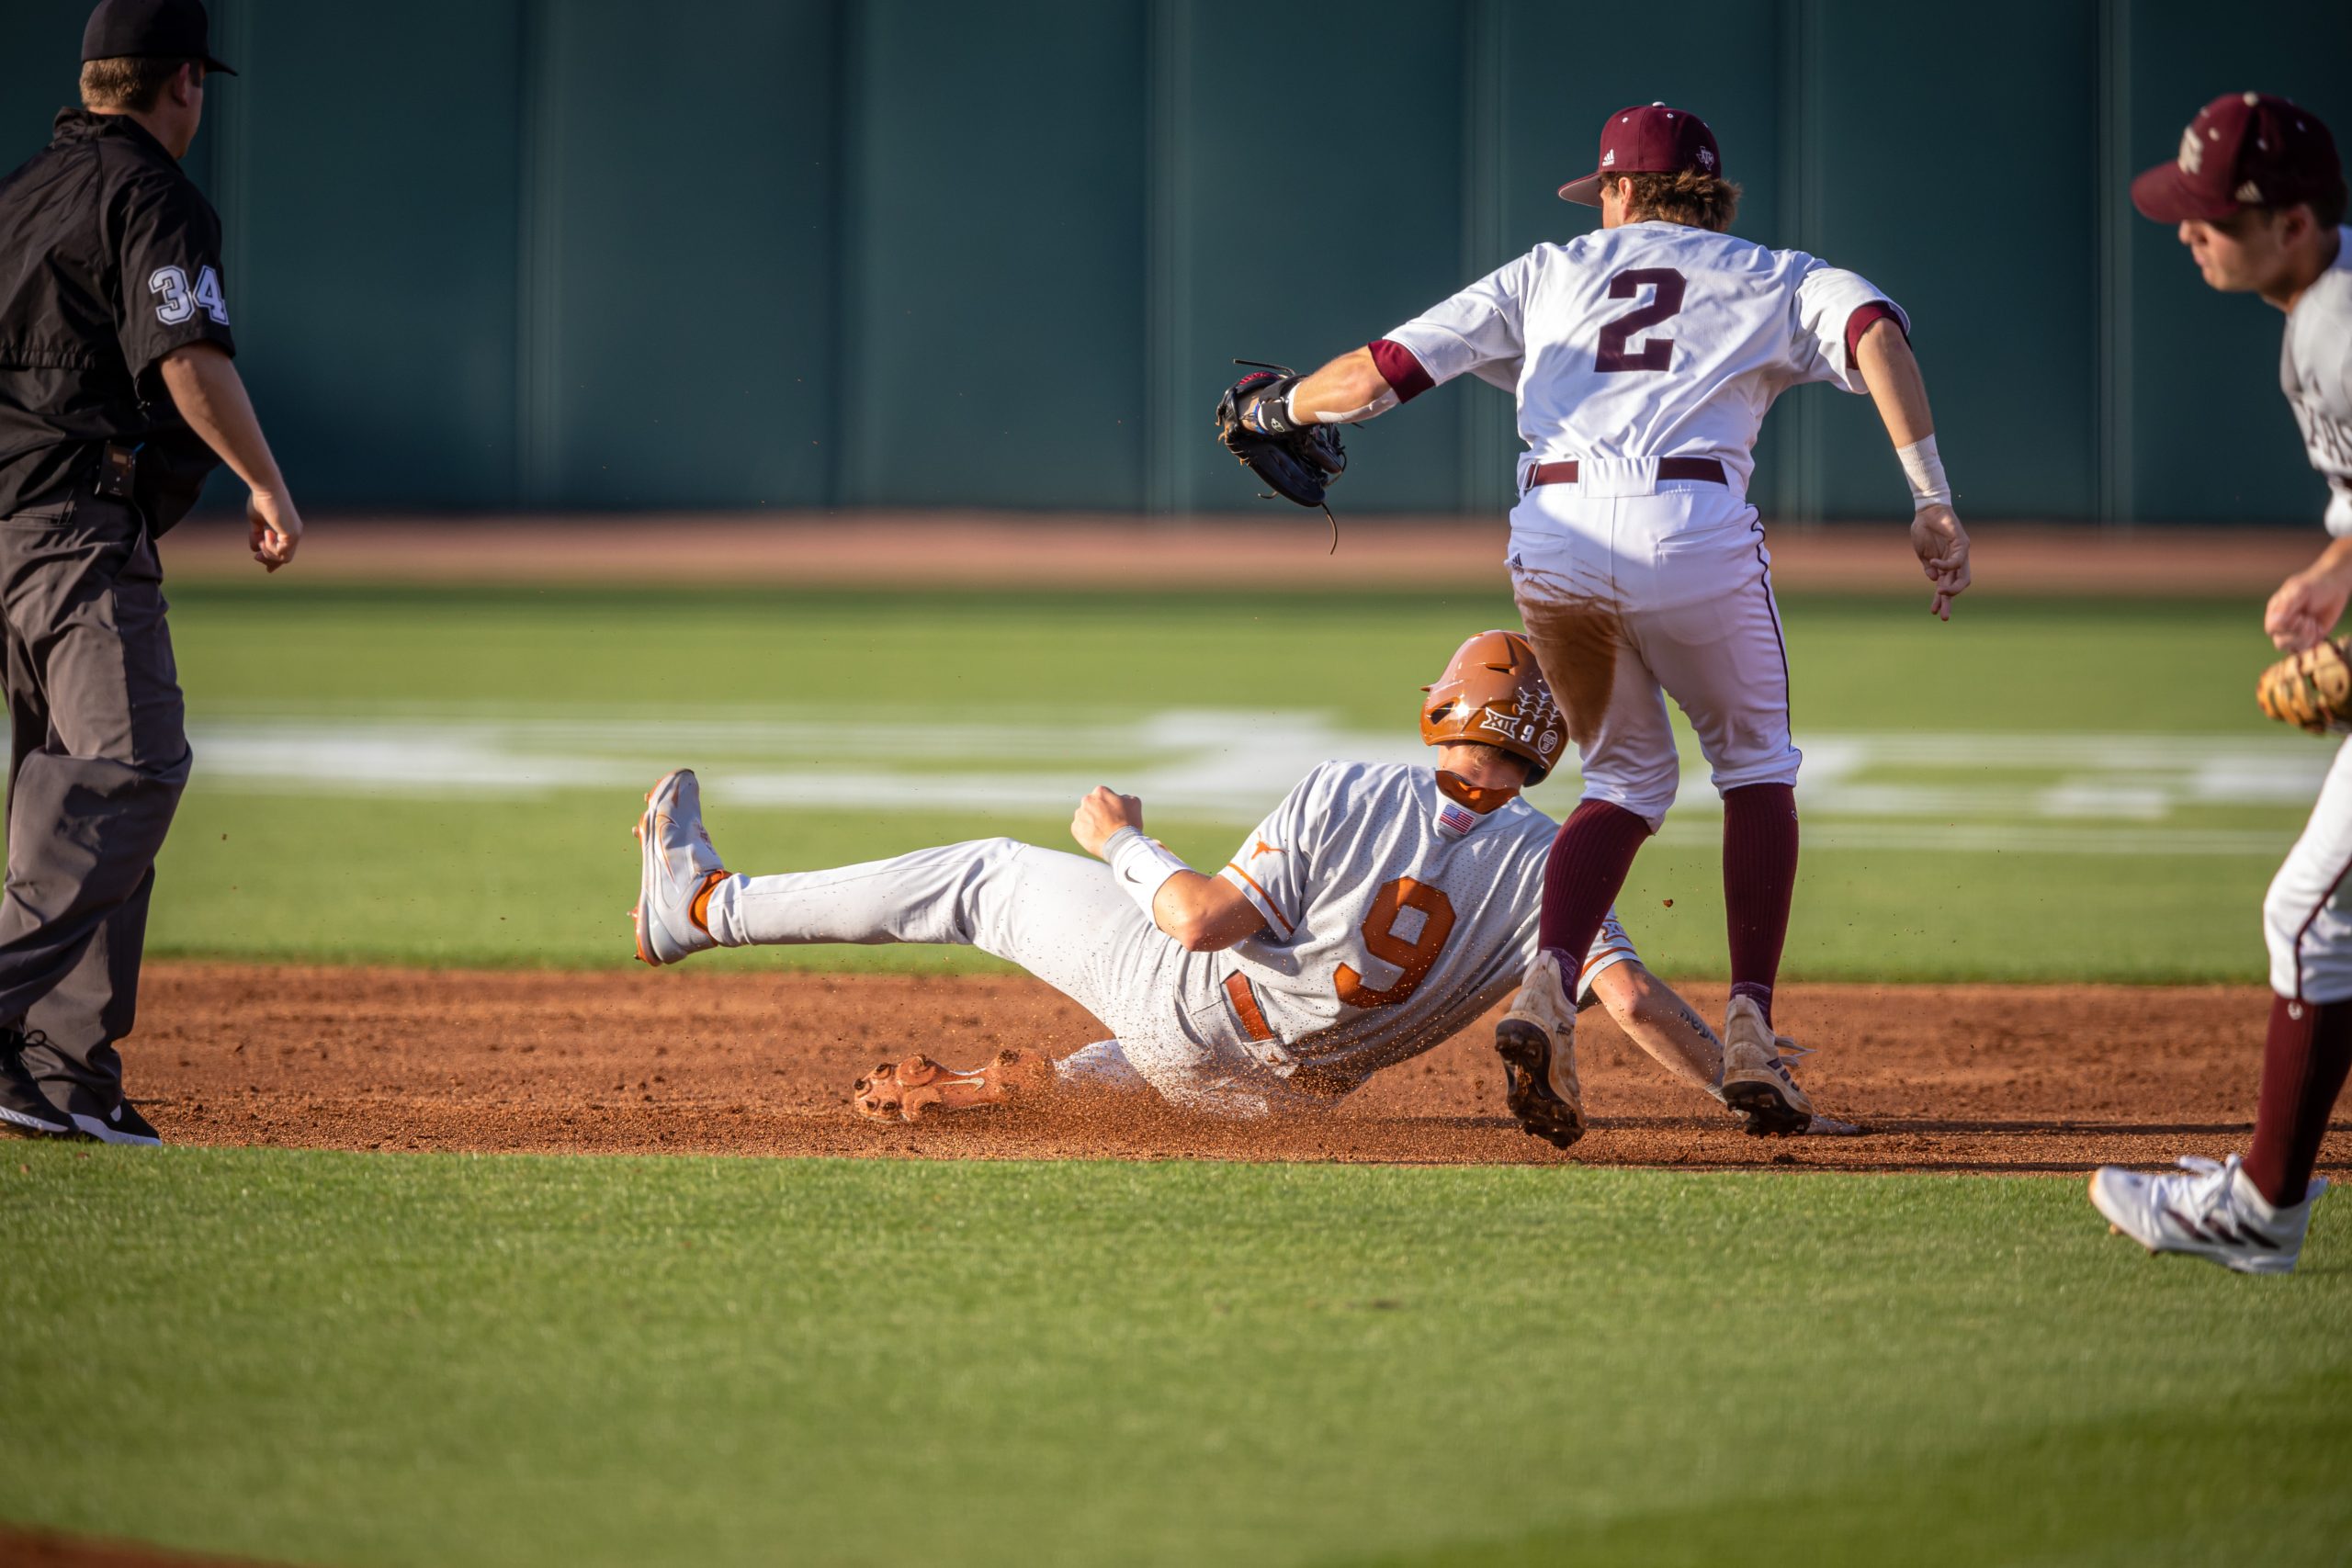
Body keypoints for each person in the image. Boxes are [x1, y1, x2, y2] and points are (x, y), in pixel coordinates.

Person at [1218, 103, 1969, 1142]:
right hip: (1692, 523)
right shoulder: (1775, 272)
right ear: (1710, 198)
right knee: (1752, 768)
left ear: (1618, 192)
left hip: (1555, 531)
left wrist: (1279, 408)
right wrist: (1928, 498)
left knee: (1622, 780)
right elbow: (1874, 333)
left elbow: (1377, 376)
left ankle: (1545, 985)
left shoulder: (1550, 270)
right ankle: (1749, 1030)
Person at [632, 629, 1850, 1137]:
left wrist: (1121, 839)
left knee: (982, 875)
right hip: (1281, 1100)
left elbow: (1202, 917)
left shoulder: (1354, 786)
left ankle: (697, 905)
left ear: (1441, 710)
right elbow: (1631, 1002)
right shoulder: (1556, 861)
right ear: (1547, 749)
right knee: (1158, 1065)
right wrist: (1743, 1083)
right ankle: (989, 1093)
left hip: (1186, 1003)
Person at [0, 0, 301, 1145]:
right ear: (183, 82)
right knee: (133, 769)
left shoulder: (21, 193)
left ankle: (67, 1074)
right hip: (73, 531)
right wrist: (265, 482)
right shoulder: (152, 196)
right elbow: (186, 356)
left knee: (64, 789)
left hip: (10, 527)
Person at [2089, 93, 2347, 1274]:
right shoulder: (2325, 303)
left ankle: (2261, 1207)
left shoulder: (2334, 331)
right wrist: (2336, 569)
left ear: (2292, 223)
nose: (2188, 230)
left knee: (2306, 916)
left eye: (2213, 213)